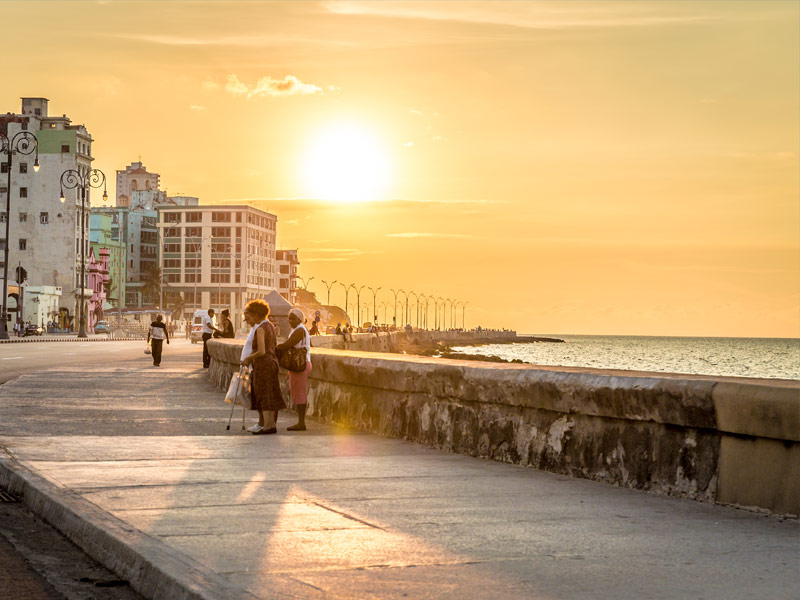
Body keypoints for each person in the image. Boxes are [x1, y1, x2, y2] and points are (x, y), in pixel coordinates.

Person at [240, 299, 285, 434]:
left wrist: (248, 358)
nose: (247, 320)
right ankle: (270, 425)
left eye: (249, 317)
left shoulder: (260, 329)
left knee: (263, 395)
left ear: (256, 314)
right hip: (272, 363)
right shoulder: (269, 326)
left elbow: (261, 351)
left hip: (263, 365)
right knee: (270, 394)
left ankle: (267, 426)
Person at [276, 308, 312, 432]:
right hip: (297, 365)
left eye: (293, 318)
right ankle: (300, 422)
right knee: (296, 392)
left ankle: (301, 423)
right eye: (289, 318)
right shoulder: (297, 330)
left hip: (301, 365)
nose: (290, 320)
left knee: (300, 393)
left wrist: (275, 348)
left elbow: (288, 344)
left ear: (299, 319)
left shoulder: (300, 330)